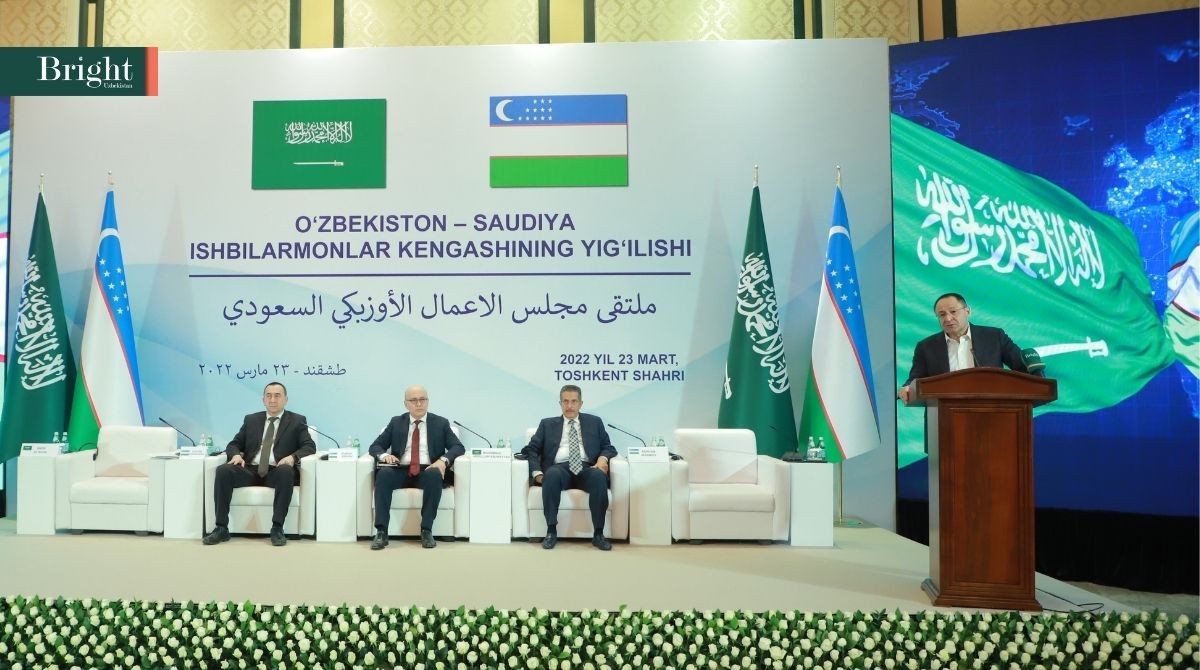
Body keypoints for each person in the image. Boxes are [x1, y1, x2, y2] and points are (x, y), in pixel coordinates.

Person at [203, 381, 316, 547]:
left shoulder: (297, 421)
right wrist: (236, 455)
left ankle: (277, 528)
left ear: (286, 399)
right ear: (263, 400)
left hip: (276, 471)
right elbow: (234, 444)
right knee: (223, 470)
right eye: (268, 396)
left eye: (277, 396)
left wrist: (292, 457)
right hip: (250, 469)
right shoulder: (251, 420)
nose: (272, 400)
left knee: (286, 472)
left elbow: (309, 446)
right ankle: (221, 528)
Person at [368, 385, 464, 550]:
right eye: (413, 400)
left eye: (422, 399)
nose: (419, 404)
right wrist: (384, 456)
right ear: (406, 404)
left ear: (428, 401)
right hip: (401, 469)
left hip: (427, 470)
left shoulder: (440, 423)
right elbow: (375, 446)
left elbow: (458, 447)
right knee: (383, 474)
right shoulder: (396, 422)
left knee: (435, 474)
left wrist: (443, 461)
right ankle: (382, 532)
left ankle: (426, 530)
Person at [526, 384, 617, 551]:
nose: (569, 406)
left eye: (573, 401)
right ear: (560, 403)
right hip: (559, 468)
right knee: (551, 475)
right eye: (565, 401)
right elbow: (531, 450)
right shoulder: (547, 424)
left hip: (587, 467)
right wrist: (537, 473)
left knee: (598, 477)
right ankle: (551, 531)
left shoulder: (595, 422)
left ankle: (598, 534)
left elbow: (608, 447)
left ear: (581, 403)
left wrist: (603, 459)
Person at [898, 292, 1028, 403]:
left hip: (993, 411)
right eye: (942, 314)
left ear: (967, 311)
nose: (948, 318)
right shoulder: (926, 347)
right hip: (944, 415)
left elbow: (1022, 368)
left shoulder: (994, 337)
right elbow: (915, 380)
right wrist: (907, 388)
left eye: (953, 312)